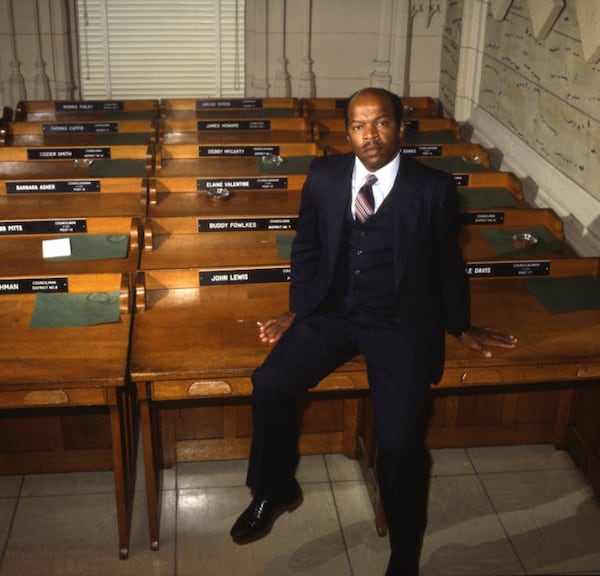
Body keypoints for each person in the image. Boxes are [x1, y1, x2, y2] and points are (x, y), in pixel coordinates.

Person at [230, 87, 517, 575]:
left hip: (399, 323)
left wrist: (459, 324)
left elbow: (449, 262)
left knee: (402, 446)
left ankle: (405, 553)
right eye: (359, 126)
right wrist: (298, 310)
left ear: (400, 128)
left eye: (381, 123)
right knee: (270, 383)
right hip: (334, 312)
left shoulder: (434, 190)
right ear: (347, 133)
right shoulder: (324, 176)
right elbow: (307, 249)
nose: (370, 135)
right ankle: (275, 486)